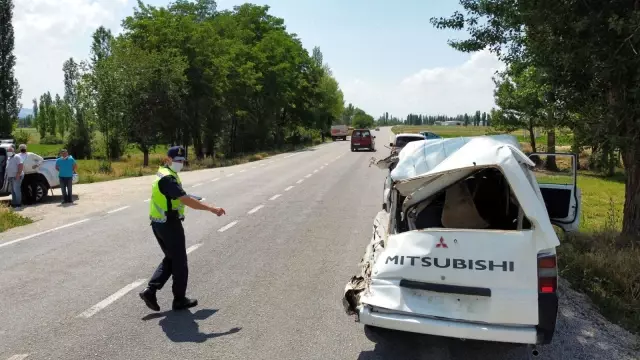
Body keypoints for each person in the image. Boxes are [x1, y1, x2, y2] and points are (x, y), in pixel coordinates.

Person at [139, 146, 226, 312]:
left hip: (159, 222)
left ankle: (150, 291)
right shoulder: (168, 178)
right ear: (168, 159)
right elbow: (184, 199)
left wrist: (187, 196)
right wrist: (211, 208)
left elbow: (173, 196)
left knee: (171, 258)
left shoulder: (163, 172)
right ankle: (179, 299)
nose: (180, 163)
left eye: (182, 161)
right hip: (169, 224)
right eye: (177, 160)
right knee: (180, 262)